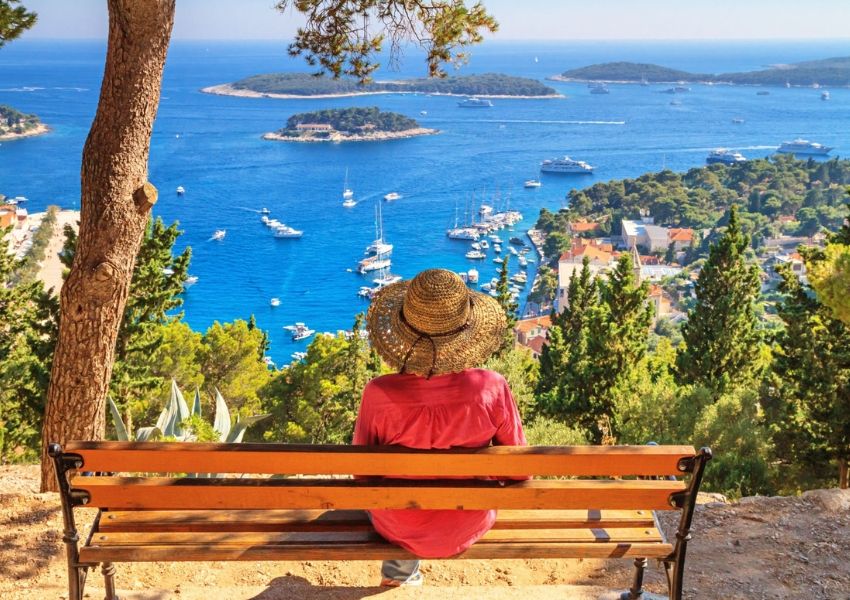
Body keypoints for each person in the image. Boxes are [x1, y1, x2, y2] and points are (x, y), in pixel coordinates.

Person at [354, 268, 527, 587]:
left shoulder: (378, 394)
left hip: (399, 525)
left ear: (402, 330)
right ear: (467, 331)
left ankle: (399, 575)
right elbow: (519, 469)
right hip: (469, 520)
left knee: (390, 501)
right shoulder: (490, 387)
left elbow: (362, 474)